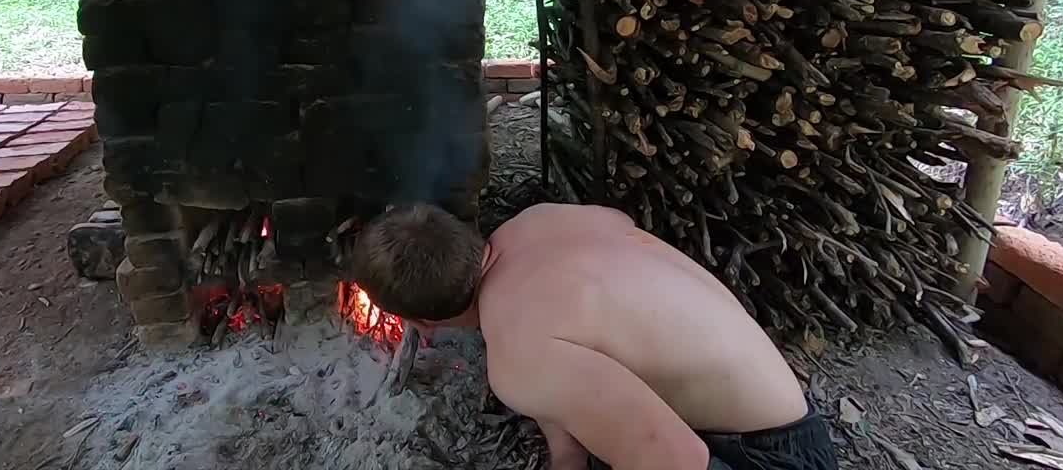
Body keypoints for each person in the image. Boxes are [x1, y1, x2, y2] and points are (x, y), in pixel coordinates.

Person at [350, 202, 838, 470]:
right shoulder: (538, 221)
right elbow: (573, 353)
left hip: (777, 457)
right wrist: (569, 456)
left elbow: (679, 462)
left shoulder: (521, 357)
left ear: (419, 324)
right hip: (774, 405)